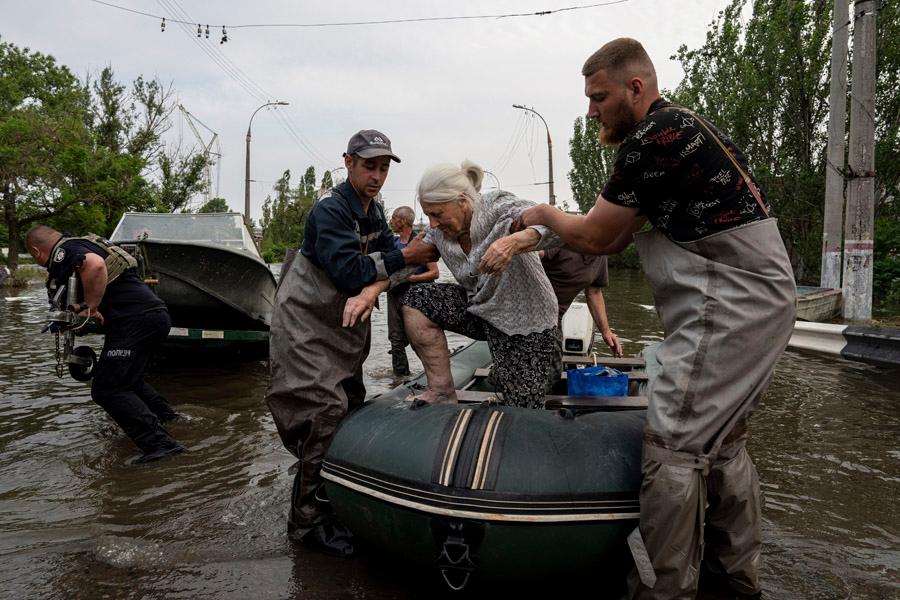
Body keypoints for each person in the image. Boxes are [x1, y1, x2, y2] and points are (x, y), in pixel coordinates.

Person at [514, 38, 796, 599]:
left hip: (731, 303)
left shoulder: (651, 139)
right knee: (724, 440)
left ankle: (670, 592)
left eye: (599, 98)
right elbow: (616, 239)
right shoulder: (679, 129)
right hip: (758, 298)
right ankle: (735, 584)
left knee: (672, 447)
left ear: (635, 88)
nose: (591, 111)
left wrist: (542, 214)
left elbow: (594, 235)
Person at [265, 130, 435, 558]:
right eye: (368, 165)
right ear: (348, 162)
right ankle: (306, 523)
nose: (377, 175)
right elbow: (348, 271)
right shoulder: (331, 209)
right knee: (322, 412)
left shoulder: (373, 211)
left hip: (342, 324)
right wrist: (402, 259)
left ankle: (332, 497)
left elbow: (375, 269)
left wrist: (380, 279)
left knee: (350, 404)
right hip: (305, 324)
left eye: (383, 167)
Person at [399, 160, 561, 408]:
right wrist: (370, 292)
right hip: (480, 311)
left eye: (437, 214)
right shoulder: (440, 233)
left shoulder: (495, 205)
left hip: (524, 320)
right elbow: (406, 262)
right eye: (428, 214)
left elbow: (555, 226)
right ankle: (442, 392)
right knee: (417, 300)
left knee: (521, 409)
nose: (432, 223)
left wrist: (513, 242)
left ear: (462, 201)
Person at [25, 225, 184, 464]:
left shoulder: (64, 252)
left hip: (135, 321)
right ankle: (169, 418)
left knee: (107, 389)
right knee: (128, 381)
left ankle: (161, 445)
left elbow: (95, 265)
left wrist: (91, 305)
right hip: (149, 316)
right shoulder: (80, 241)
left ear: (36, 252)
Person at [541, 247, 623, 357]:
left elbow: (594, 292)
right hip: (528, 312)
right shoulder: (562, 238)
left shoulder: (601, 256)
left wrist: (606, 331)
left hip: (554, 318)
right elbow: (534, 252)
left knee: (553, 368)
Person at [386, 206, 439, 376]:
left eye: (393, 218)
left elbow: (434, 272)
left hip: (416, 296)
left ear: (402, 221)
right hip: (394, 295)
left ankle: (433, 374)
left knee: (418, 339)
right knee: (395, 339)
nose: (391, 221)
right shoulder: (393, 244)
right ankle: (400, 378)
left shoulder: (420, 243)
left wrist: (410, 278)